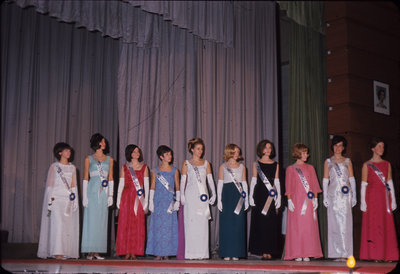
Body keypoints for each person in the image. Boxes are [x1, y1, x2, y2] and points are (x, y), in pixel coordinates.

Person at [37, 142, 79, 259]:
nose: (69, 152)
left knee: (66, 226)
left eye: (69, 151)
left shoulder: (72, 168)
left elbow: (73, 185)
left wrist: (74, 201)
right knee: (58, 224)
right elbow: (50, 185)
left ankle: (65, 251)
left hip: (67, 201)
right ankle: (57, 252)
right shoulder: (54, 167)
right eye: (66, 150)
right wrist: (49, 202)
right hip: (56, 199)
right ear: (60, 152)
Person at [360, 138, 398, 261]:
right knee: (375, 225)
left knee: (386, 224)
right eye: (379, 146)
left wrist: (393, 199)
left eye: (383, 146)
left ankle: (388, 254)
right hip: (372, 197)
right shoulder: (367, 165)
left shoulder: (387, 164)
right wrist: (363, 201)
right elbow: (363, 184)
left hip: (384, 198)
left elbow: (390, 182)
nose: (382, 149)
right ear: (373, 148)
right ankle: (376, 254)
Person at [284, 143, 322, 261]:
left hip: (308, 200)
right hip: (296, 201)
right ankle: (297, 253)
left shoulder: (310, 168)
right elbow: (289, 185)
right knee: (297, 227)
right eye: (304, 152)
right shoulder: (291, 169)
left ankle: (307, 252)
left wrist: (315, 198)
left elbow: (315, 185)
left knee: (308, 227)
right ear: (298, 154)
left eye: (306, 152)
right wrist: (289, 200)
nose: (307, 155)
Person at [180, 138, 216, 259]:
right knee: (191, 224)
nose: (200, 151)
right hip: (191, 196)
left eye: (202, 149)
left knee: (202, 224)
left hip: (202, 196)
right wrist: (182, 195)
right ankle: (191, 253)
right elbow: (183, 180)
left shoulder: (206, 164)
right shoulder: (186, 163)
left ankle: (202, 253)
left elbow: (210, 180)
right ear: (192, 149)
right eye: (198, 149)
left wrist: (214, 193)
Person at [323, 135, 356, 260]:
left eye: (341, 145)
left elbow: (352, 179)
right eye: (336, 145)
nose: (338, 148)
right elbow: (325, 180)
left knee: (346, 225)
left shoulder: (348, 161)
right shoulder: (328, 162)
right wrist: (325, 196)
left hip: (345, 196)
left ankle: (346, 253)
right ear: (333, 146)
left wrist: (354, 196)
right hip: (333, 196)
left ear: (344, 147)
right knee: (334, 225)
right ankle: (336, 253)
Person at [81, 133, 114, 260]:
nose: (105, 144)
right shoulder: (88, 159)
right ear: (98, 143)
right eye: (103, 141)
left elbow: (110, 178)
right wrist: (85, 196)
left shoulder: (110, 159)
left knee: (102, 221)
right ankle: (90, 251)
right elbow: (85, 177)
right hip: (92, 191)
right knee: (91, 221)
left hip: (104, 192)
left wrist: (111, 194)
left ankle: (98, 251)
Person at [249, 140, 281, 260]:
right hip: (260, 195)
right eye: (266, 148)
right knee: (261, 223)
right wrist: (250, 196)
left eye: (270, 148)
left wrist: (279, 198)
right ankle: (262, 250)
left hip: (271, 195)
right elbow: (253, 180)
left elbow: (277, 181)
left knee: (270, 224)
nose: (268, 150)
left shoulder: (275, 164)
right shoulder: (256, 164)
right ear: (261, 149)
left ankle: (270, 250)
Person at [146, 145, 180, 260]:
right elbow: (152, 186)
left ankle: (167, 252)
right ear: (161, 157)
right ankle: (158, 252)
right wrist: (150, 201)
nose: (169, 156)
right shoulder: (155, 170)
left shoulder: (175, 170)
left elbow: (177, 186)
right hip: (158, 200)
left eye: (170, 154)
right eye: (166, 154)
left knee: (169, 227)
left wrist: (178, 200)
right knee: (158, 227)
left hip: (170, 201)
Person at [116, 144, 149, 260]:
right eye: (134, 152)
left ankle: (134, 251)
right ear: (130, 154)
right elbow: (121, 184)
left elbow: (147, 186)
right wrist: (118, 200)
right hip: (126, 198)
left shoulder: (144, 167)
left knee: (137, 224)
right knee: (125, 224)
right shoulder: (124, 167)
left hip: (138, 198)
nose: (137, 153)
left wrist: (146, 203)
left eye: (138, 151)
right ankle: (126, 251)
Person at [217, 144, 249, 261]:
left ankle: (236, 252)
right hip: (227, 196)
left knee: (238, 225)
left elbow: (244, 183)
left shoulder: (242, 167)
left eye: (238, 152)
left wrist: (247, 199)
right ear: (229, 152)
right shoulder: (223, 167)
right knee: (226, 225)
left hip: (238, 197)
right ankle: (226, 252)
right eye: (235, 152)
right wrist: (219, 199)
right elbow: (220, 183)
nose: (237, 154)